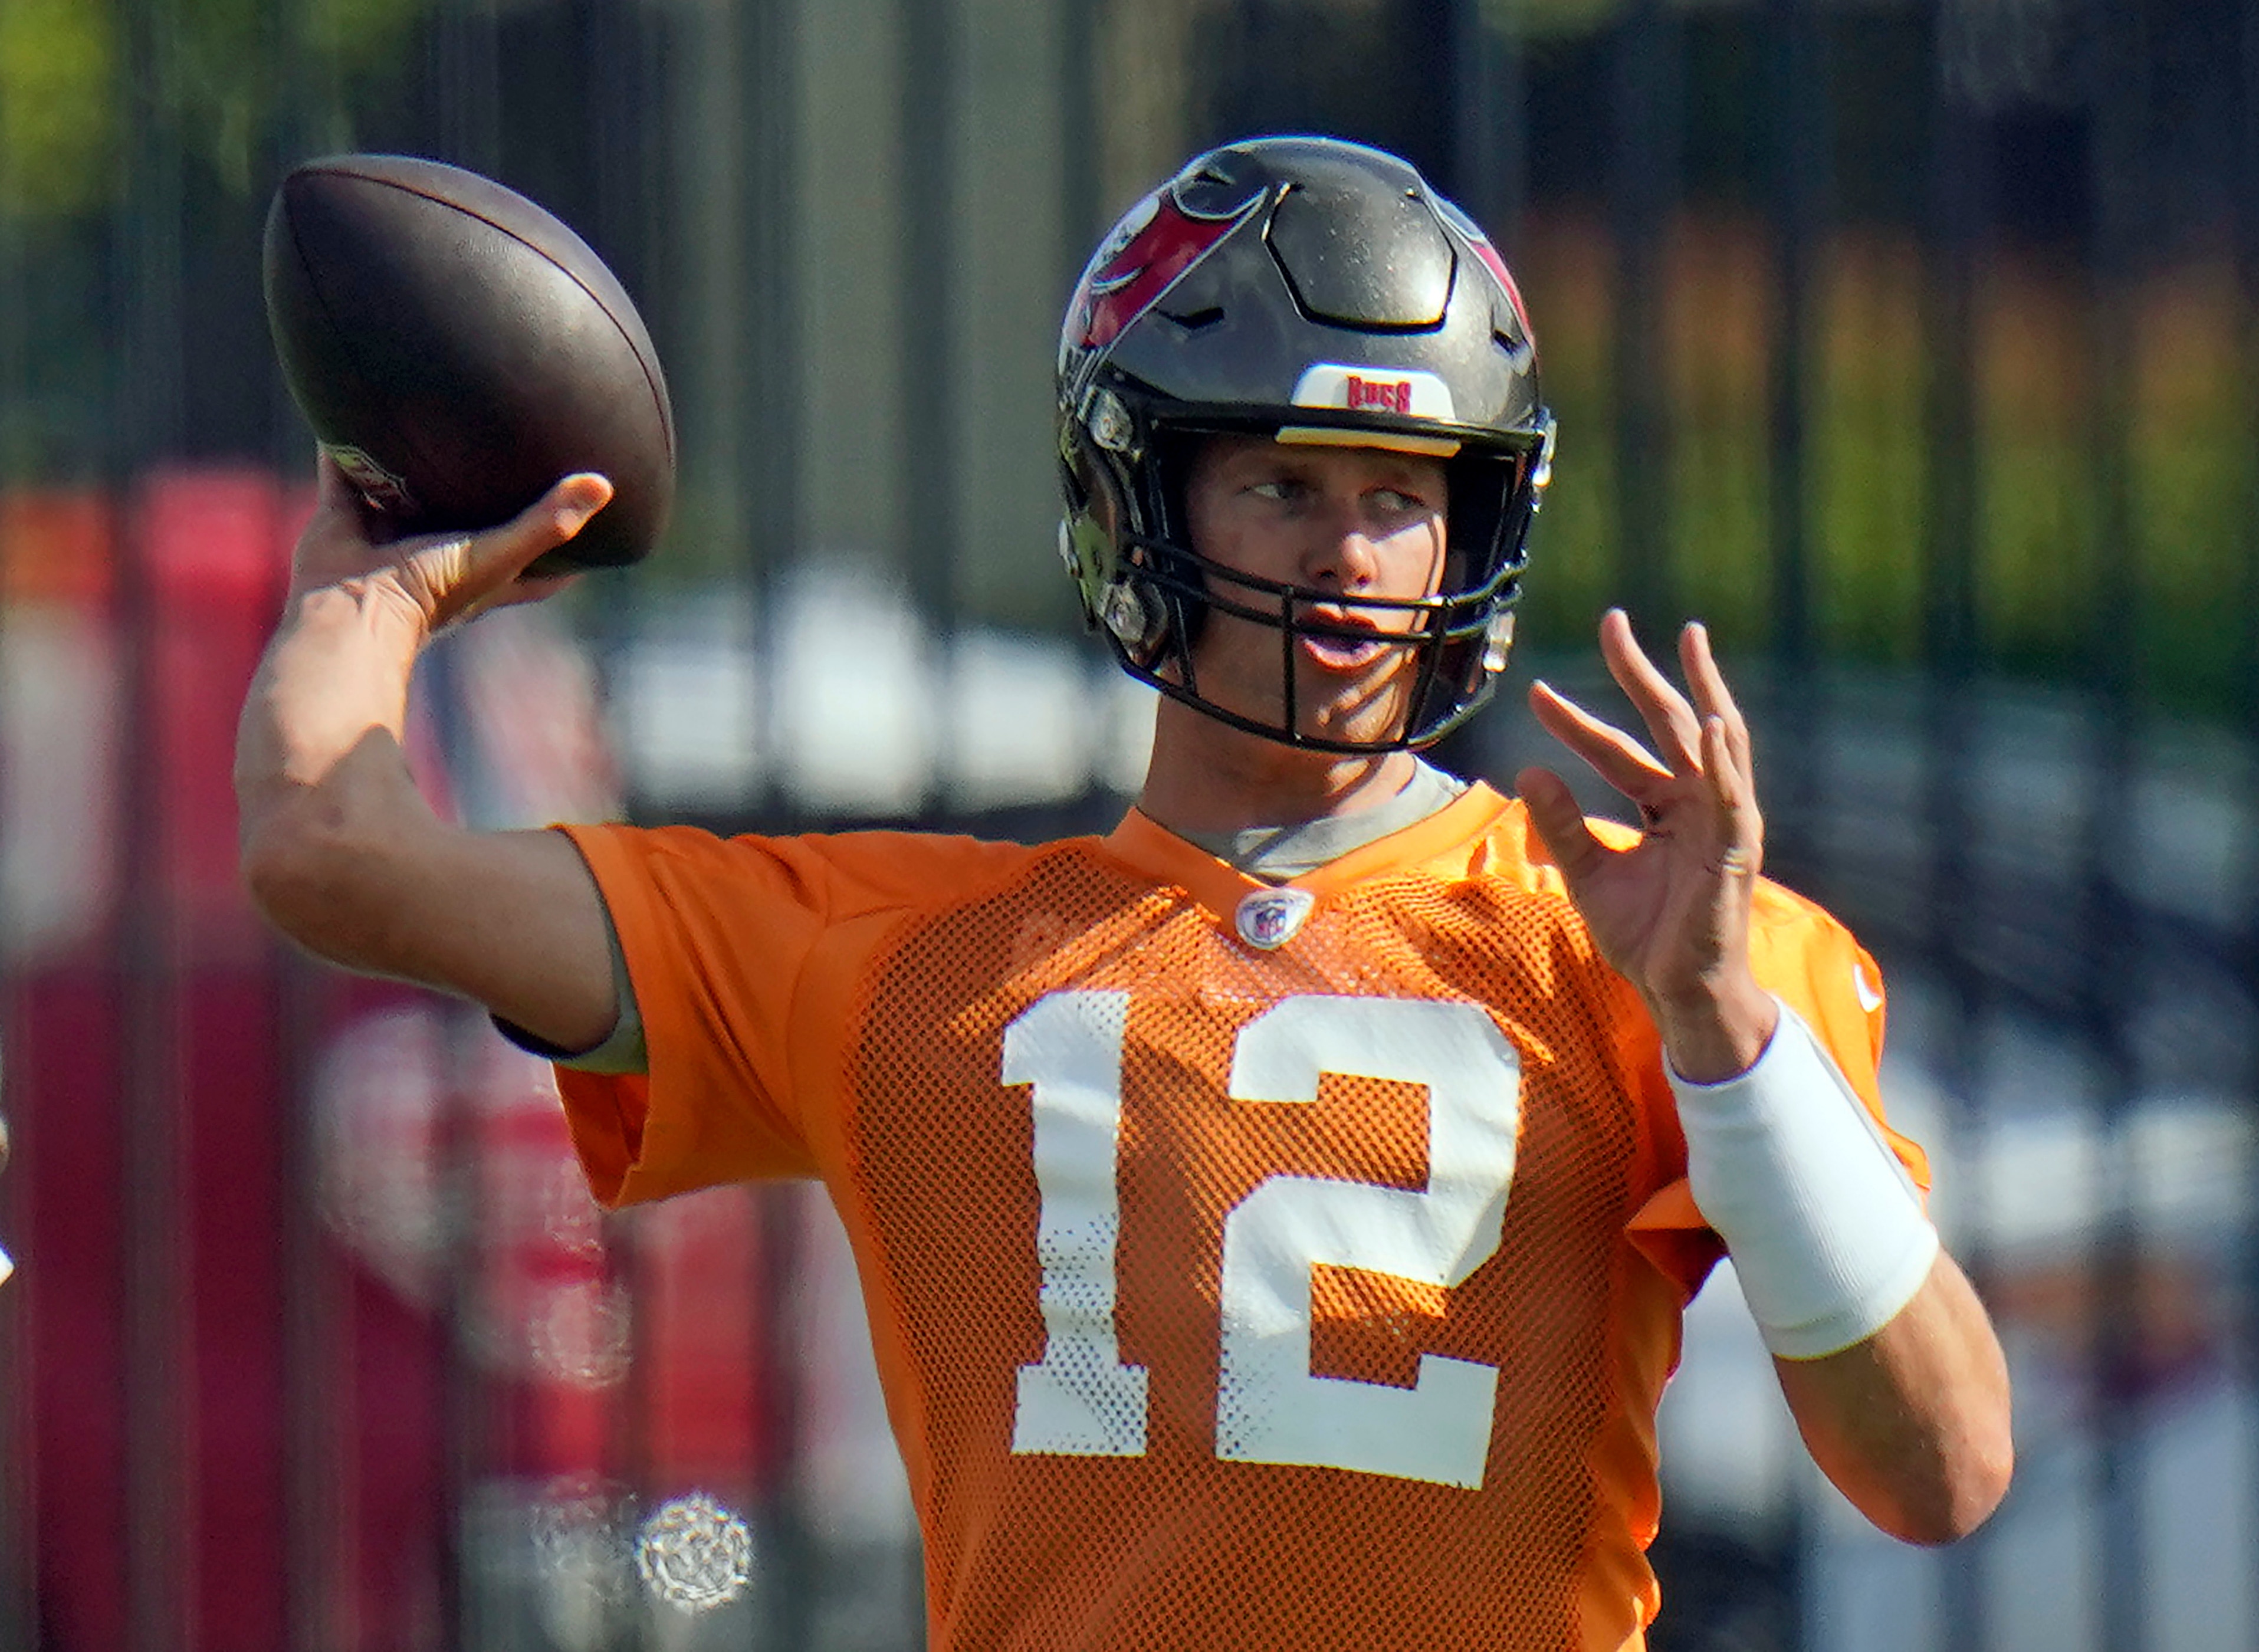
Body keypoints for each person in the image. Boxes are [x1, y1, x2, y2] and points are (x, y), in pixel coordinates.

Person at [238, 134, 2010, 1650]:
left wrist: (1719, 1033)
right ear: (1140, 495)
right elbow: (341, 857)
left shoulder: (1652, 947)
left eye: (1400, 496)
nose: (1348, 550)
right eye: (1282, 482)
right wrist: (369, 599)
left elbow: (1940, 1466)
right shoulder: (904, 953)